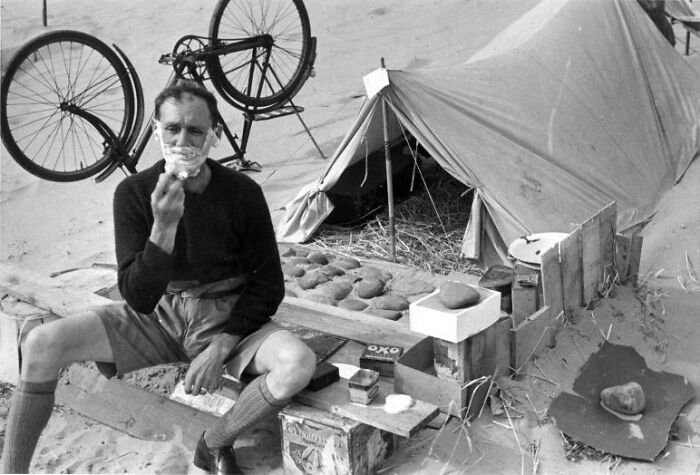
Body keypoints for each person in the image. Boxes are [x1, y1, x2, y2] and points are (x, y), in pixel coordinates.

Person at [1, 80, 317, 475]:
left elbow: (268, 285)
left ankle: (215, 442)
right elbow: (138, 297)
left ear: (214, 135)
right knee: (42, 343)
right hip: (158, 315)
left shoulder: (241, 193)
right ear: (155, 130)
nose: (183, 140)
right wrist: (163, 228)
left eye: (196, 130)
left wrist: (220, 348)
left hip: (225, 315)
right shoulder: (133, 193)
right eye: (172, 129)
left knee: (297, 363)